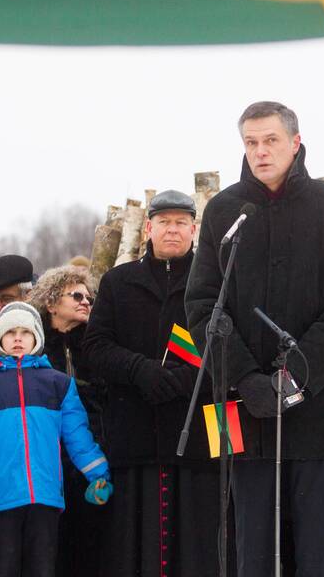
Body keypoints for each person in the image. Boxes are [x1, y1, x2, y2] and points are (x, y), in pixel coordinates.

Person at [185, 101, 324, 577]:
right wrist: (246, 378)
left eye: (270, 141)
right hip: (247, 412)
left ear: (295, 142)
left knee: (315, 553)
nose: (260, 152)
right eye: (251, 143)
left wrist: (292, 380)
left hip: (320, 412)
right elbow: (204, 305)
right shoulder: (225, 210)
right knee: (254, 553)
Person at [83, 189, 223, 577]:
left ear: (194, 229)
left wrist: (186, 381)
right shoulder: (117, 282)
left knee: (197, 552)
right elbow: (95, 347)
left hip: (196, 439)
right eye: (164, 222)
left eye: (181, 223)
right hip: (135, 436)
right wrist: (139, 370)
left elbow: (234, 351)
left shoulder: (215, 283)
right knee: (133, 551)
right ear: (148, 227)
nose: (173, 230)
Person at [0, 302, 111, 577]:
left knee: (42, 567)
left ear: (37, 337)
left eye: (25, 332)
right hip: (0, 495)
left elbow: (78, 437)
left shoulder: (58, 384)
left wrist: (98, 474)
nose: (17, 338)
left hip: (45, 495)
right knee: (3, 567)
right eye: (10, 332)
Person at [29, 264, 106, 577]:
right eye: (75, 295)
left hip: (90, 460)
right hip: (47, 462)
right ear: (50, 303)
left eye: (88, 296)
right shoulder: (34, 349)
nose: (85, 301)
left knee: (89, 546)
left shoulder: (96, 346)